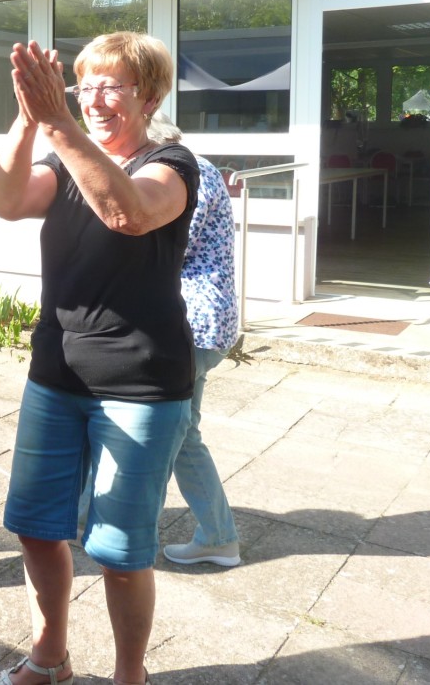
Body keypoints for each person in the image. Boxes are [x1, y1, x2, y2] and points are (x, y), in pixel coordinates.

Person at [0, 32, 199, 685]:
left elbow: (126, 213)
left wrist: (57, 120)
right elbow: (5, 201)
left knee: (120, 552)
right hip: (56, 376)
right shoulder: (63, 163)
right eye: (85, 86)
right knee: (34, 527)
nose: (95, 100)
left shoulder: (171, 165)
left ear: (150, 97)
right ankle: (50, 659)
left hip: (141, 386)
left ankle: (130, 675)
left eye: (113, 86)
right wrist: (29, 118)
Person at [162, 155, 241, 567]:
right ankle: (218, 537)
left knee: (160, 433)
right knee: (182, 434)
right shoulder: (197, 170)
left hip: (191, 324)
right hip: (203, 322)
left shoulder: (182, 174)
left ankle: (116, 528)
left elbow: (166, 245)